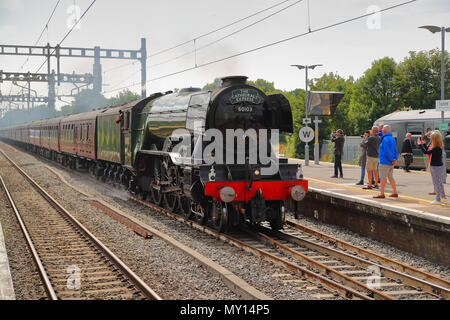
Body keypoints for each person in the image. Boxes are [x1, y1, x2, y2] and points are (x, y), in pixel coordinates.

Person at [418, 131, 446, 204]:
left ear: (434, 139)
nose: (430, 139)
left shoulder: (436, 148)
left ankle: (438, 199)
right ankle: (443, 197)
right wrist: (423, 144)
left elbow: (426, 152)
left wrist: (420, 145)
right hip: (439, 166)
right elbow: (429, 150)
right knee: (439, 182)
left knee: (436, 183)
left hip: (435, 167)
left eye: (432, 138)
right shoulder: (438, 146)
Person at [374, 125, 398, 198]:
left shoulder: (384, 140)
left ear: (383, 131)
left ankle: (382, 193)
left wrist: (391, 159)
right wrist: (394, 159)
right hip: (391, 163)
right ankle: (395, 192)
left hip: (384, 161)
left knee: (383, 178)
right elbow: (395, 150)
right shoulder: (392, 139)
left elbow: (387, 151)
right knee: (390, 177)